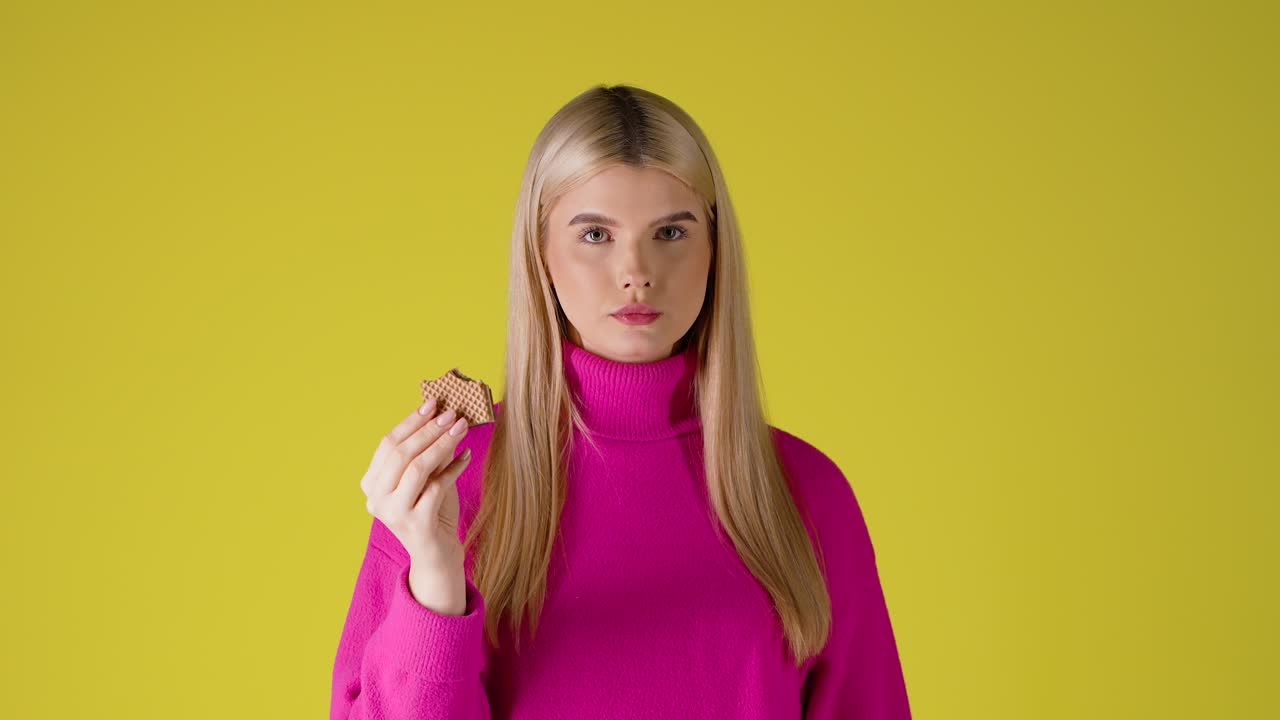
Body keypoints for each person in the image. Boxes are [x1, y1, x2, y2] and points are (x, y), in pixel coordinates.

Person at [330, 83, 912, 719]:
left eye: (669, 231)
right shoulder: (445, 487)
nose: (636, 269)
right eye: (596, 235)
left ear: (715, 253)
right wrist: (434, 582)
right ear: (541, 255)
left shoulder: (806, 491)